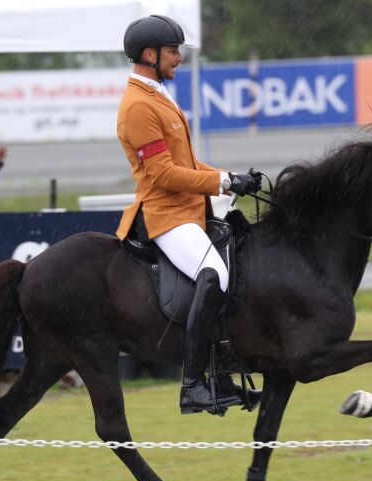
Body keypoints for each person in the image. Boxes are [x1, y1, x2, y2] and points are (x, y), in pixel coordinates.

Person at [116, 15, 261, 415]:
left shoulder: (158, 95)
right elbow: (162, 174)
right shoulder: (137, 106)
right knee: (213, 275)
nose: (178, 58)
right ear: (150, 54)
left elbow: (188, 161)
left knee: (234, 267)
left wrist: (232, 177)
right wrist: (223, 184)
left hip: (189, 209)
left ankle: (223, 374)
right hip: (167, 216)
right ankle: (194, 385)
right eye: (173, 51)